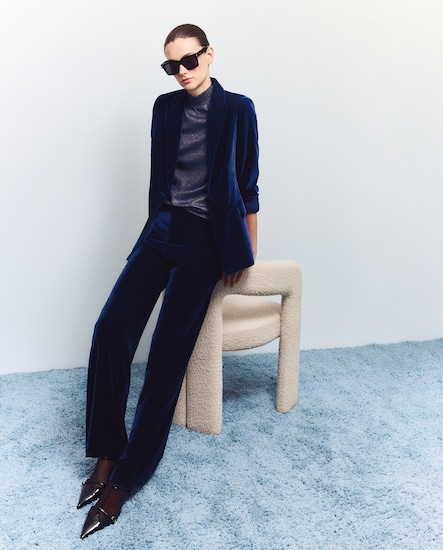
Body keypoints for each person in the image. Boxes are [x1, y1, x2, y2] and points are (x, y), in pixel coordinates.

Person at [77, 23, 259, 539]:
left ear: (210, 54)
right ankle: (108, 451)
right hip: (161, 231)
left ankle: (126, 478)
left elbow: (248, 184)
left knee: (164, 358)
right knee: (110, 329)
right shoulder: (164, 108)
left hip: (206, 241)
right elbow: (161, 181)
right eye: (171, 65)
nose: (181, 72)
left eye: (189, 61)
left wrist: (245, 249)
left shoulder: (239, 109)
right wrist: (153, 230)